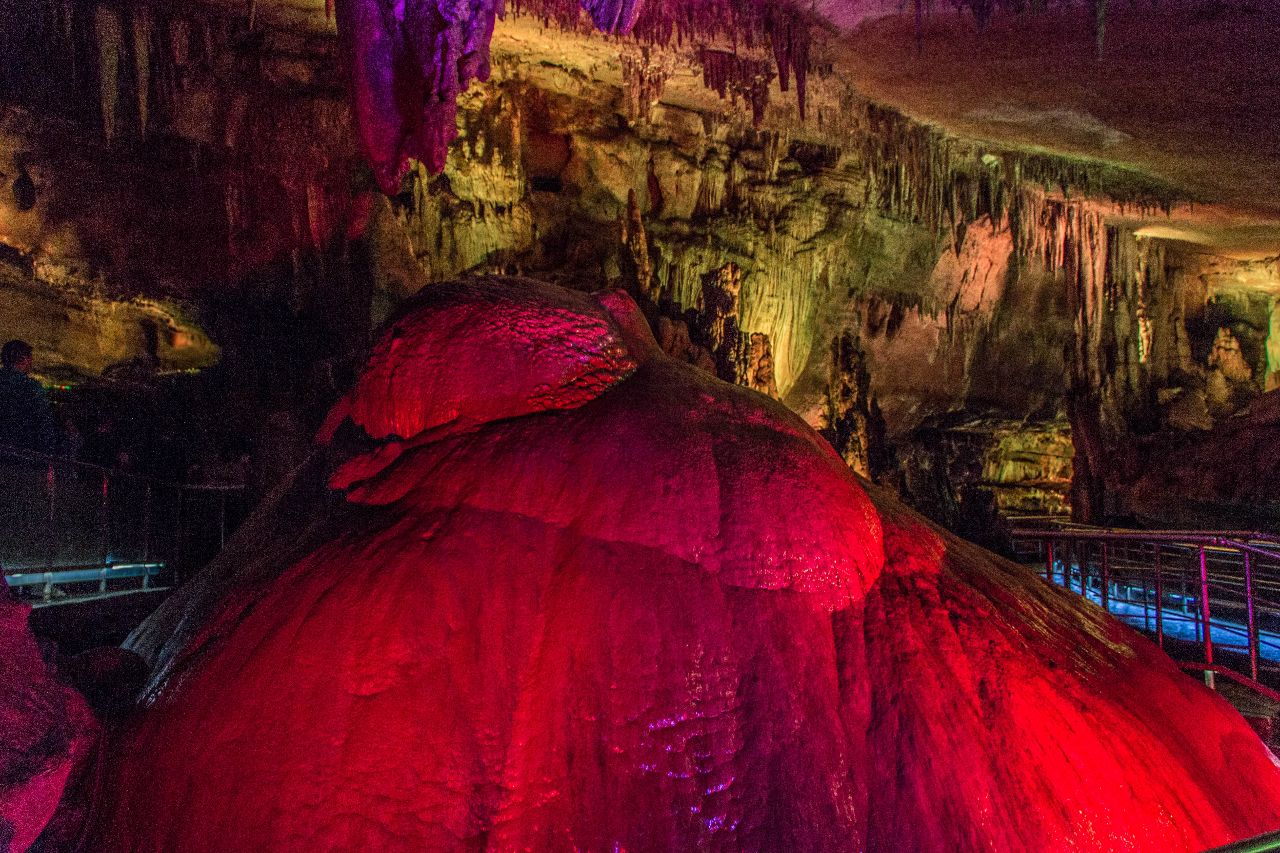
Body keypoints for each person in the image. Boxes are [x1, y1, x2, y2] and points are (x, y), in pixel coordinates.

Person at [0, 339, 59, 455]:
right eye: (30, 358)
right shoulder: (31, 387)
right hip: (23, 453)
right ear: (23, 359)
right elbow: (43, 422)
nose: (31, 362)